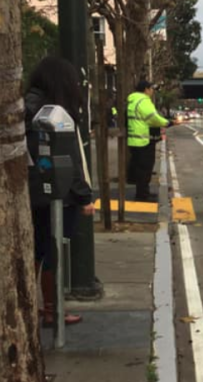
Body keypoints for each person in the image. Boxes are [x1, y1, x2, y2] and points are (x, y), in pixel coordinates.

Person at [25, 56, 95, 326]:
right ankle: (52, 310)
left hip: (31, 193)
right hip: (56, 195)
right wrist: (84, 196)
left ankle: (36, 308)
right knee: (52, 250)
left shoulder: (27, 105)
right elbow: (67, 160)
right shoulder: (55, 113)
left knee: (37, 250)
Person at [127, 80, 173, 202]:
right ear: (146, 89)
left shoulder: (132, 99)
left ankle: (142, 192)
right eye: (151, 89)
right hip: (143, 140)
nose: (152, 91)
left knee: (140, 168)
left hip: (134, 139)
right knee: (145, 169)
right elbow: (152, 118)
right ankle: (142, 195)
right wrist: (167, 122)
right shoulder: (143, 101)